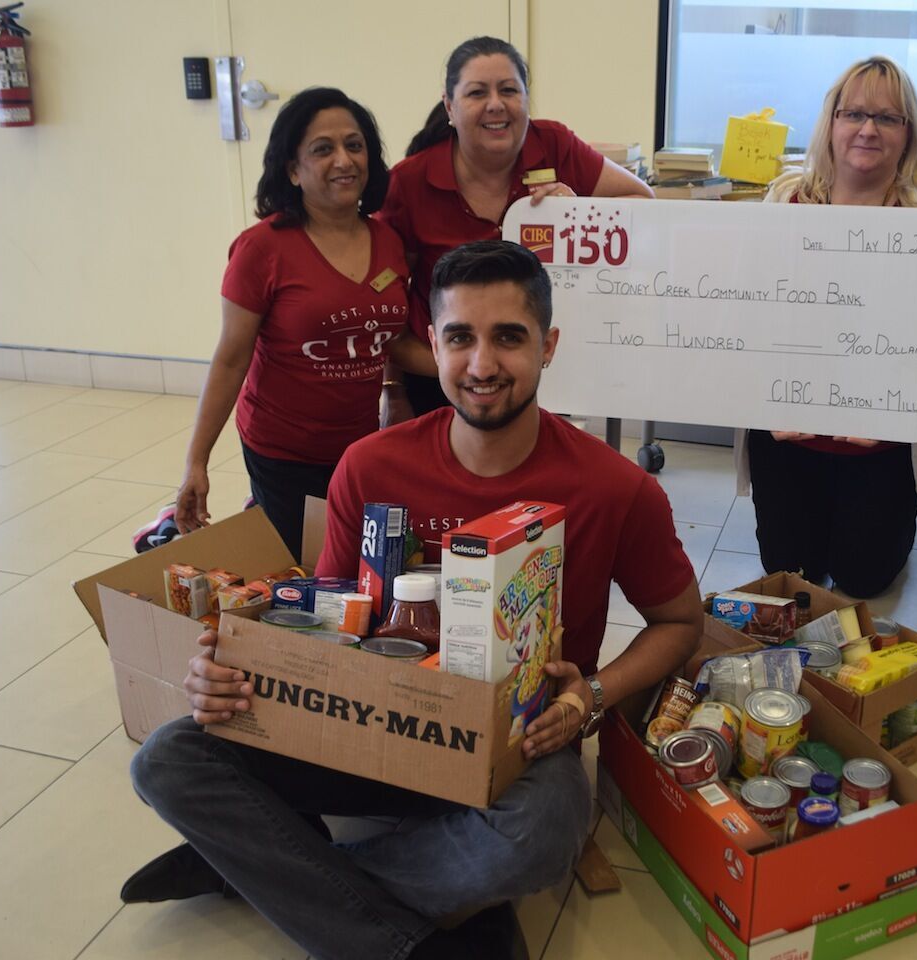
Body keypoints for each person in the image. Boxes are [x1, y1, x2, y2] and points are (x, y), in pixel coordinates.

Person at [123, 240, 703, 960]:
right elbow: (323, 621)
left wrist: (592, 692)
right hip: (371, 724)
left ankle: (263, 872)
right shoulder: (372, 464)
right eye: (460, 338)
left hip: (514, 744)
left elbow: (680, 621)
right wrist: (231, 664)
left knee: (547, 830)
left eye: (509, 338)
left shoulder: (617, 489)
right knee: (166, 760)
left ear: (549, 346)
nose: (483, 365)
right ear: (432, 343)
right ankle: (424, 932)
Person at [741, 56, 917, 598]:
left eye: (888, 118)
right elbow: (749, 310)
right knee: (792, 574)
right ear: (831, 122)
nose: (868, 130)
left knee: (863, 578)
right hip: (788, 433)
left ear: (909, 133)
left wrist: (901, 404)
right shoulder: (785, 198)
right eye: (854, 114)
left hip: (884, 443)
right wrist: (763, 398)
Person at [173, 87, 419, 557]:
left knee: (349, 563)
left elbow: (388, 341)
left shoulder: (388, 240)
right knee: (299, 573)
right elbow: (230, 359)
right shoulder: (262, 248)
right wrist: (196, 463)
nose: (344, 160)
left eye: (355, 144)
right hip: (281, 447)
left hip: (358, 445)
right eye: (323, 149)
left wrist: (463, 361)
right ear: (292, 169)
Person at [378, 36, 653, 417]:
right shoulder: (410, 182)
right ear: (450, 107)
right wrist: (394, 392)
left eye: (509, 90)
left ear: (526, 99)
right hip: (442, 374)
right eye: (477, 93)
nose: (496, 104)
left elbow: (643, 203)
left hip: (536, 368)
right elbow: (387, 301)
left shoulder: (554, 145)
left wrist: (582, 212)